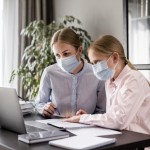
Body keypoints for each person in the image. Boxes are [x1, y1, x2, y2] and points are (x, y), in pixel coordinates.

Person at [65, 35, 150, 135]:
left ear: (115, 57)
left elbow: (119, 121)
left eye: (98, 62)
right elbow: (112, 117)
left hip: (140, 143)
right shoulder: (109, 81)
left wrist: (83, 118)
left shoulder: (133, 80)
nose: (95, 67)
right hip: (122, 138)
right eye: (93, 63)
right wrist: (88, 118)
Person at [35, 28, 106, 118]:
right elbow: (39, 103)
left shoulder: (96, 74)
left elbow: (103, 111)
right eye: (57, 55)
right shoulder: (49, 72)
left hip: (87, 128)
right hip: (56, 126)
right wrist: (44, 108)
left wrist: (88, 118)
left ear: (79, 50)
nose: (62, 60)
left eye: (66, 54)